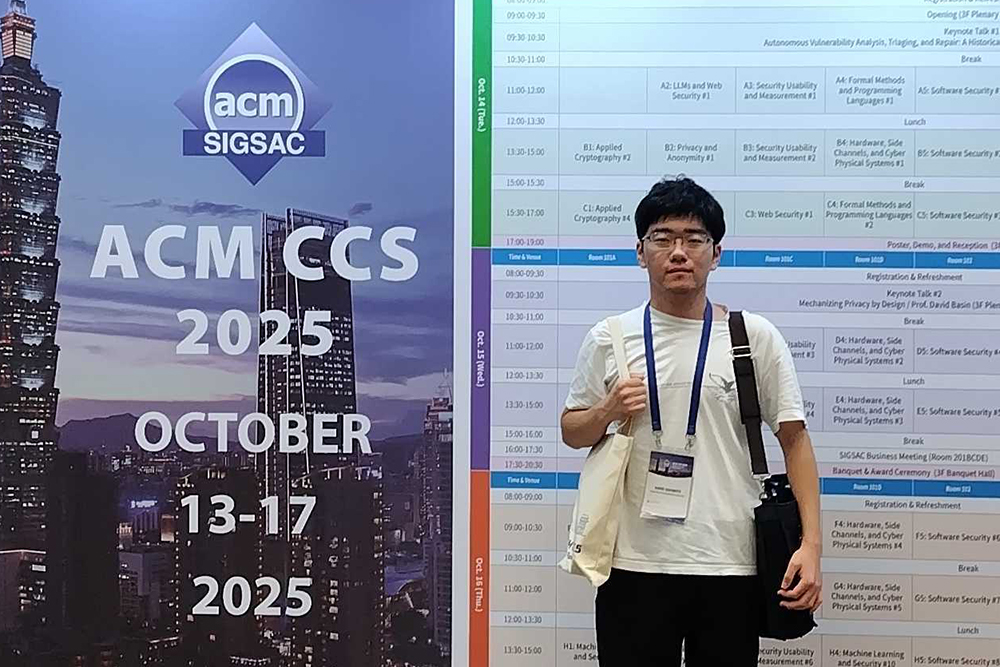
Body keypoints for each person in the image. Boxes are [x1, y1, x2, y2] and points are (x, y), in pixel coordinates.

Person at [560, 176, 822, 666]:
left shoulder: (752, 337)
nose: (678, 252)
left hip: (729, 564)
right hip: (631, 564)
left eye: (694, 239)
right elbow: (572, 430)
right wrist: (607, 411)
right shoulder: (609, 337)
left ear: (715, 253)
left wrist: (811, 547)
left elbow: (795, 440)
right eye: (662, 238)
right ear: (640, 252)